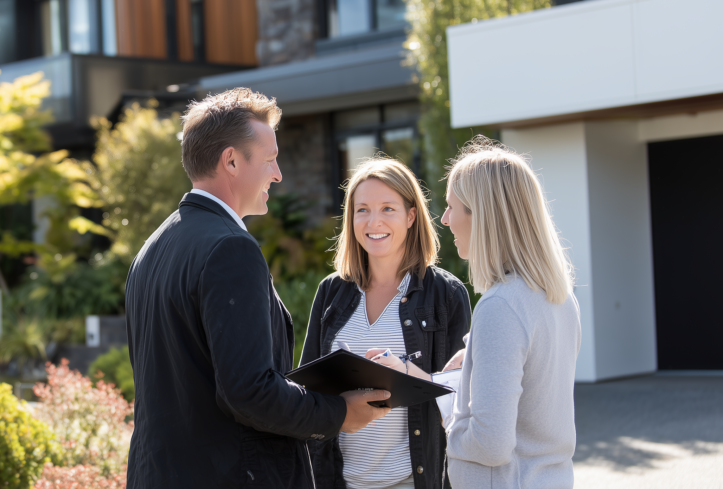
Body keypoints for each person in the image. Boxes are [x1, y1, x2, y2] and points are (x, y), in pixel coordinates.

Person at [125, 88, 393, 489]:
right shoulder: (230, 248)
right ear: (231, 161)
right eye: (270, 160)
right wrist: (338, 412)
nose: (278, 174)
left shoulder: (152, 247)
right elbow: (248, 392)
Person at [382, 137, 581, 489]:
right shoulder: (559, 297)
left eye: (451, 207)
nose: (445, 219)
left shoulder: (501, 306)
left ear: (482, 214)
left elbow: (490, 444)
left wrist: (452, 420)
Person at [300, 158, 472, 489]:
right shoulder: (331, 292)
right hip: (337, 480)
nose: (373, 221)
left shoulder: (446, 294)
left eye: (388, 209)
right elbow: (308, 395)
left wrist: (406, 373)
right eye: (362, 210)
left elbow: (460, 403)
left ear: (411, 216)